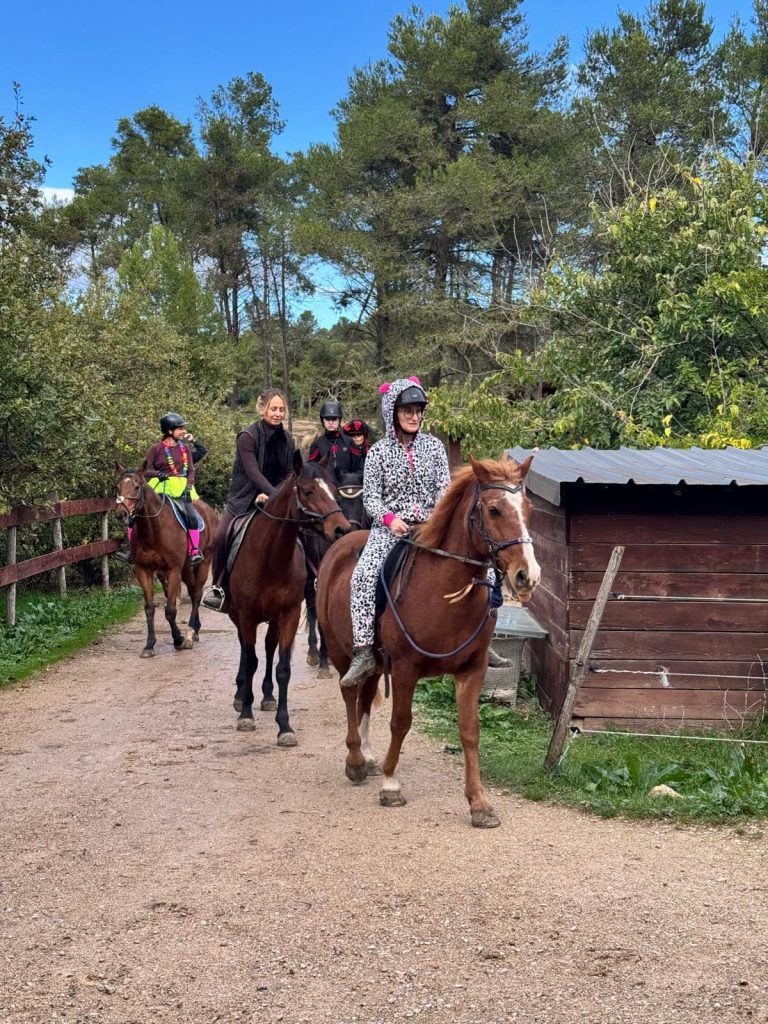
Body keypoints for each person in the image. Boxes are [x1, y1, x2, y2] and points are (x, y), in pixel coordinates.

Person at [340, 377, 451, 686]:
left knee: (479, 568)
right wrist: (390, 519)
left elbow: (445, 490)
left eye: (418, 410)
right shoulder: (377, 452)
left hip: (430, 527)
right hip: (390, 530)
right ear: (392, 413)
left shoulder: (435, 447)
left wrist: (436, 519)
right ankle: (364, 651)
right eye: (407, 411)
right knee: (363, 576)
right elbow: (370, 498)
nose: (414, 416)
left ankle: (481, 640)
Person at [202, 388, 296, 612]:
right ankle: (219, 588)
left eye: (281, 409)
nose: (278, 413)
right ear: (262, 409)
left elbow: (290, 473)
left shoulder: (288, 440)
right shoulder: (247, 437)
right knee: (220, 537)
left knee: (305, 529)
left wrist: (276, 496)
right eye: (273, 409)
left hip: (277, 498)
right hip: (245, 498)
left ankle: (311, 583)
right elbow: (253, 473)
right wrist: (271, 495)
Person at [114, 412, 207, 565]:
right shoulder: (155, 449)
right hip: (160, 485)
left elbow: (191, 470)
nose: (183, 431)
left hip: (181, 486)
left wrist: (189, 485)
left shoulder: (185, 448)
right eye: (180, 428)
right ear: (170, 431)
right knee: (135, 515)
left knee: (191, 515)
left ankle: (194, 551)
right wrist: (159, 474)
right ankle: (130, 549)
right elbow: (146, 471)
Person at [308, 399, 349, 484]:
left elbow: (358, 469)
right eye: (327, 419)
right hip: (325, 487)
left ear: (339, 420)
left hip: (347, 487)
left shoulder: (349, 442)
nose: (330, 422)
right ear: (322, 420)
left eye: (334, 419)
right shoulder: (317, 444)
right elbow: (311, 469)